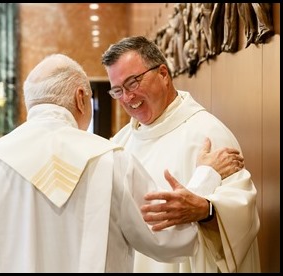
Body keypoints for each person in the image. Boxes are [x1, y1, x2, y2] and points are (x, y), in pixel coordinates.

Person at [0, 54, 242, 273]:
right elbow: (171, 239)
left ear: (30, 102)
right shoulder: (111, 161)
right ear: (80, 98)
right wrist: (207, 175)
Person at [101, 36, 260, 273]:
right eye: (117, 90)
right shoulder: (121, 143)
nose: (127, 97)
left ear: (163, 74)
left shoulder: (207, 134)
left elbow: (241, 213)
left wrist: (207, 211)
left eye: (133, 83)